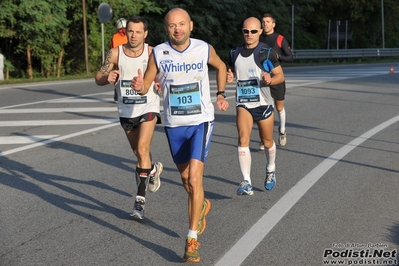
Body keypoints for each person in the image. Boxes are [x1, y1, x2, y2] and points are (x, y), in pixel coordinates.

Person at [130, 7, 229, 263]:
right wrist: (140, 88)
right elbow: (146, 87)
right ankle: (202, 205)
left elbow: (220, 66)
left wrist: (220, 93)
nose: (178, 29)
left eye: (182, 24)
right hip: (174, 125)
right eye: (173, 25)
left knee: (195, 180)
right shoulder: (159, 53)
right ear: (166, 29)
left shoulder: (203, 48)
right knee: (186, 181)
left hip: (200, 121)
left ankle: (191, 238)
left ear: (191, 26)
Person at [94, 16, 163, 220]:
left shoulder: (153, 52)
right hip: (126, 110)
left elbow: (164, 75)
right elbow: (98, 77)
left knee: (142, 149)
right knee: (138, 152)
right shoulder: (116, 53)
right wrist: (107, 78)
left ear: (145, 34)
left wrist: (158, 83)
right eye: (130, 31)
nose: (133, 35)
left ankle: (139, 202)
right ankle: (153, 168)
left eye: (138, 32)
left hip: (149, 106)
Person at [227, 17, 285, 196]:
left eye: (253, 31)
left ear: (260, 32)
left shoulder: (266, 53)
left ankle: (270, 169)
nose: (249, 34)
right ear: (242, 32)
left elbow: (280, 76)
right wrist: (230, 77)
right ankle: (246, 181)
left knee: (267, 141)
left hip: (263, 102)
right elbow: (232, 71)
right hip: (243, 103)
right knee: (243, 139)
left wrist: (270, 79)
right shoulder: (234, 52)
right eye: (246, 31)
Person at [258, 13, 293, 150]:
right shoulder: (258, 38)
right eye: (263, 21)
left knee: (278, 107)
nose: (265, 24)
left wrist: (278, 56)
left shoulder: (280, 39)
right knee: (264, 108)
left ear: (273, 24)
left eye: (268, 21)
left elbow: (290, 57)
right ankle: (264, 138)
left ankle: (282, 130)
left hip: (277, 77)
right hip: (261, 78)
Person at [110, 18, 128, 103]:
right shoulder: (129, 35)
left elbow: (112, 48)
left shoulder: (114, 37)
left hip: (117, 59)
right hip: (128, 58)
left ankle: (117, 96)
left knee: (117, 77)